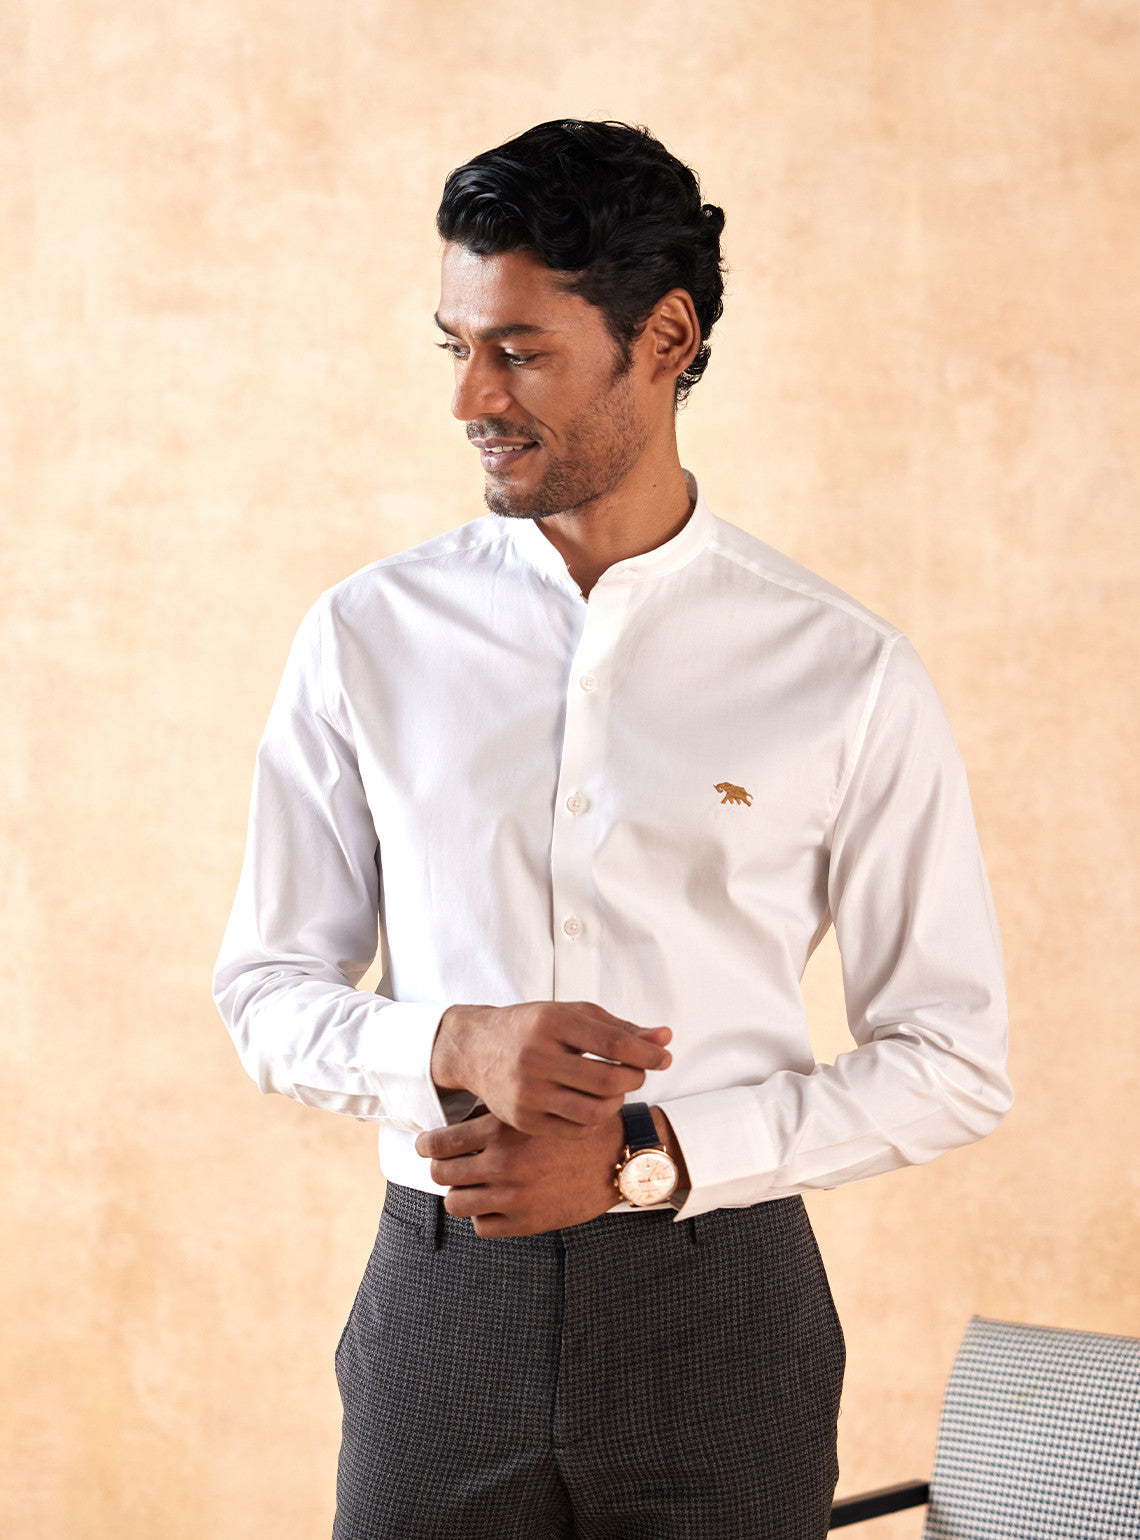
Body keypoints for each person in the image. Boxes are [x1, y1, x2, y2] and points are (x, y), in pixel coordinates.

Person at [214, 119, 1011, 1540]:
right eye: (455, 343)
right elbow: (264, 992)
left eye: (519, 351)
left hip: (723, 1319)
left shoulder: (843, 669)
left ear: (666, 337)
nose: (470, 394)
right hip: (441, 1303)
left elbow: (953, 1061)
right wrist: (448, 1043)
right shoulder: (365, 637)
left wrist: (656, 1152)